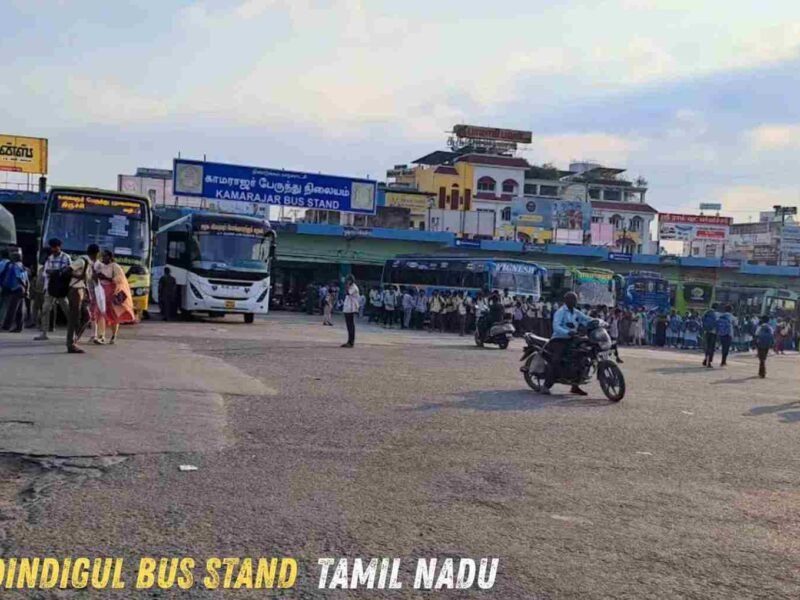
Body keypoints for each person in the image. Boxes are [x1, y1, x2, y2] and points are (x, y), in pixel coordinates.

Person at [543, 291, 592, 396]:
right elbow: (556, 326)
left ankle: (575, 386)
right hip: (559, 340)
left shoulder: (576, 312)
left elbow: (586, 319)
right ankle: (546, 385)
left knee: (582, 357)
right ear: (566, 300)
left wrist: (599, 322)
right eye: (572, 299)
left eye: (575, 299)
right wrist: (567, 332)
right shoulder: (560, 312)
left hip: (572, 339)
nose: (575, 301)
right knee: (556, 360)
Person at [92, 249, 134, 346]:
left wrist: (105, 277)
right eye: (102, 256)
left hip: (112, 293)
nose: (103, 258)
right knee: (100, 313)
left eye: (105, 256)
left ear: (110, 257)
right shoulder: (100, 266)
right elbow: (95, 278)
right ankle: (101, 336)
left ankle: (114, 335)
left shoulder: (115, 266)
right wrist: (96, 276)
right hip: (102, 292)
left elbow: (119, 279)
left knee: (113, 315)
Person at [34, 238, 72, 341]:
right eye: (52, 247)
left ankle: (73, 331)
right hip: (50, 287)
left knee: (67, 310)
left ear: (59, 247)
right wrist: (55, 273)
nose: (53, 249)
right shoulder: (49, 258)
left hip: (61, 289)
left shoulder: (66, 257)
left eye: (55, 247)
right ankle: (44, 333)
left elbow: (68, 272)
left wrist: (55, 272)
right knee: (45, 309)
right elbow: (46, 273)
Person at [0, 247, 28, 332]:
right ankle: (19, 327)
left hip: (17, 289)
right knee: (19, 309)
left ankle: (6, 326)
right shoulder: (22, 265)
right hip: (21, 289)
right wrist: (26, 289)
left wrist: (24, 287)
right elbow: (26, 278)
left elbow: (19, 278)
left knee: (12, 309)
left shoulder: (15, 266)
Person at [341, 275, 359, 348]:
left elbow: (348, 293)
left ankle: (351, 342)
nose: (347, 282)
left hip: (351, 308)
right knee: (349, 326)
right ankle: (349, 341)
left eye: (348, 280)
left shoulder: (354, 287)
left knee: (351, 325)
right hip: (347, 308)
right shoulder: (350, 287)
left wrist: (347, 285)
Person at [701, 303, 720, 368]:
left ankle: (706, 359)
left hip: (707, 332)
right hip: (713, 332)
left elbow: (702, 320)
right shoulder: (716, 314)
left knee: (707, 347)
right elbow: (717, 323)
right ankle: (709, 362)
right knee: (711, 348)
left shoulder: (706, 312)